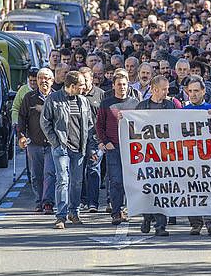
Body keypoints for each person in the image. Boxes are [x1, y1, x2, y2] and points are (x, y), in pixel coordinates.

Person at [40, 71, 97, 229]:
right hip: (62, 147)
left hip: (79, 148)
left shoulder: (84, 101)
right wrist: (56, 143)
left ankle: (74, 212)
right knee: (63, 180)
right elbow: (45, 122)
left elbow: (90, 126)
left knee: (77, 182)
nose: (84, 88)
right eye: (81, 85)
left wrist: (91, 148)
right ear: (72, 86)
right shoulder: (54, 99)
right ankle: (61, 216)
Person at [135, 75, 181, 236]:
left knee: (163, 189)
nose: (166, 92)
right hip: (147, 156)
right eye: (164, 89)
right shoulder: (141, 107)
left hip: (166, 156)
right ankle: (147, 217)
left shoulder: (171, 105)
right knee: (148, 189)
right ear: (154, 89)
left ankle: (161, 226)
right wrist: (123, 119)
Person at [96, 71, 140, 225]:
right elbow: (99, 125)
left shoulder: (135, 103)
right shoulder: (106, 103)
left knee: (132, 181)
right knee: (116, 181)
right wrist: (105, 141)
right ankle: (116, 211)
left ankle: (129, 208)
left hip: (132, 148)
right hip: (114, 148)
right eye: (119, 84)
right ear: (113, 86)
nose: (122, 87)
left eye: (124, 84)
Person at [183, 75, 211, 235]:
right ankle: (196, 224)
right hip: (190, 158)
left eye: (196, 91)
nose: (193, 94)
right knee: (191, 190)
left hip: (210, 158)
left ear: (203, 91)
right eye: (190, 91)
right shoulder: (182, 112)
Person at [18, 68, 56, 214]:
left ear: (52, 81)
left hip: (52, 143)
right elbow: (22, 118)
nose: (43, 81)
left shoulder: (57, 97)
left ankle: (48, 202)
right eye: (40, 78)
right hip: (34, 142)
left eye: (46, 78)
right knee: (36, 175)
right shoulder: (29, 97)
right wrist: (21, 136)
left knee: (50, 173)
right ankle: (39, 201)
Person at [79, 67, 104, 212]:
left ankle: (93, 202)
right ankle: (82, 199)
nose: (83, 84)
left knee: (93, 169)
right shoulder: (76, 95)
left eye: (86, 80)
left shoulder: (100, 95)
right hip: (78, 139)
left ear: (92, 79)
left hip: (95, 138)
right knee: (78, 170)